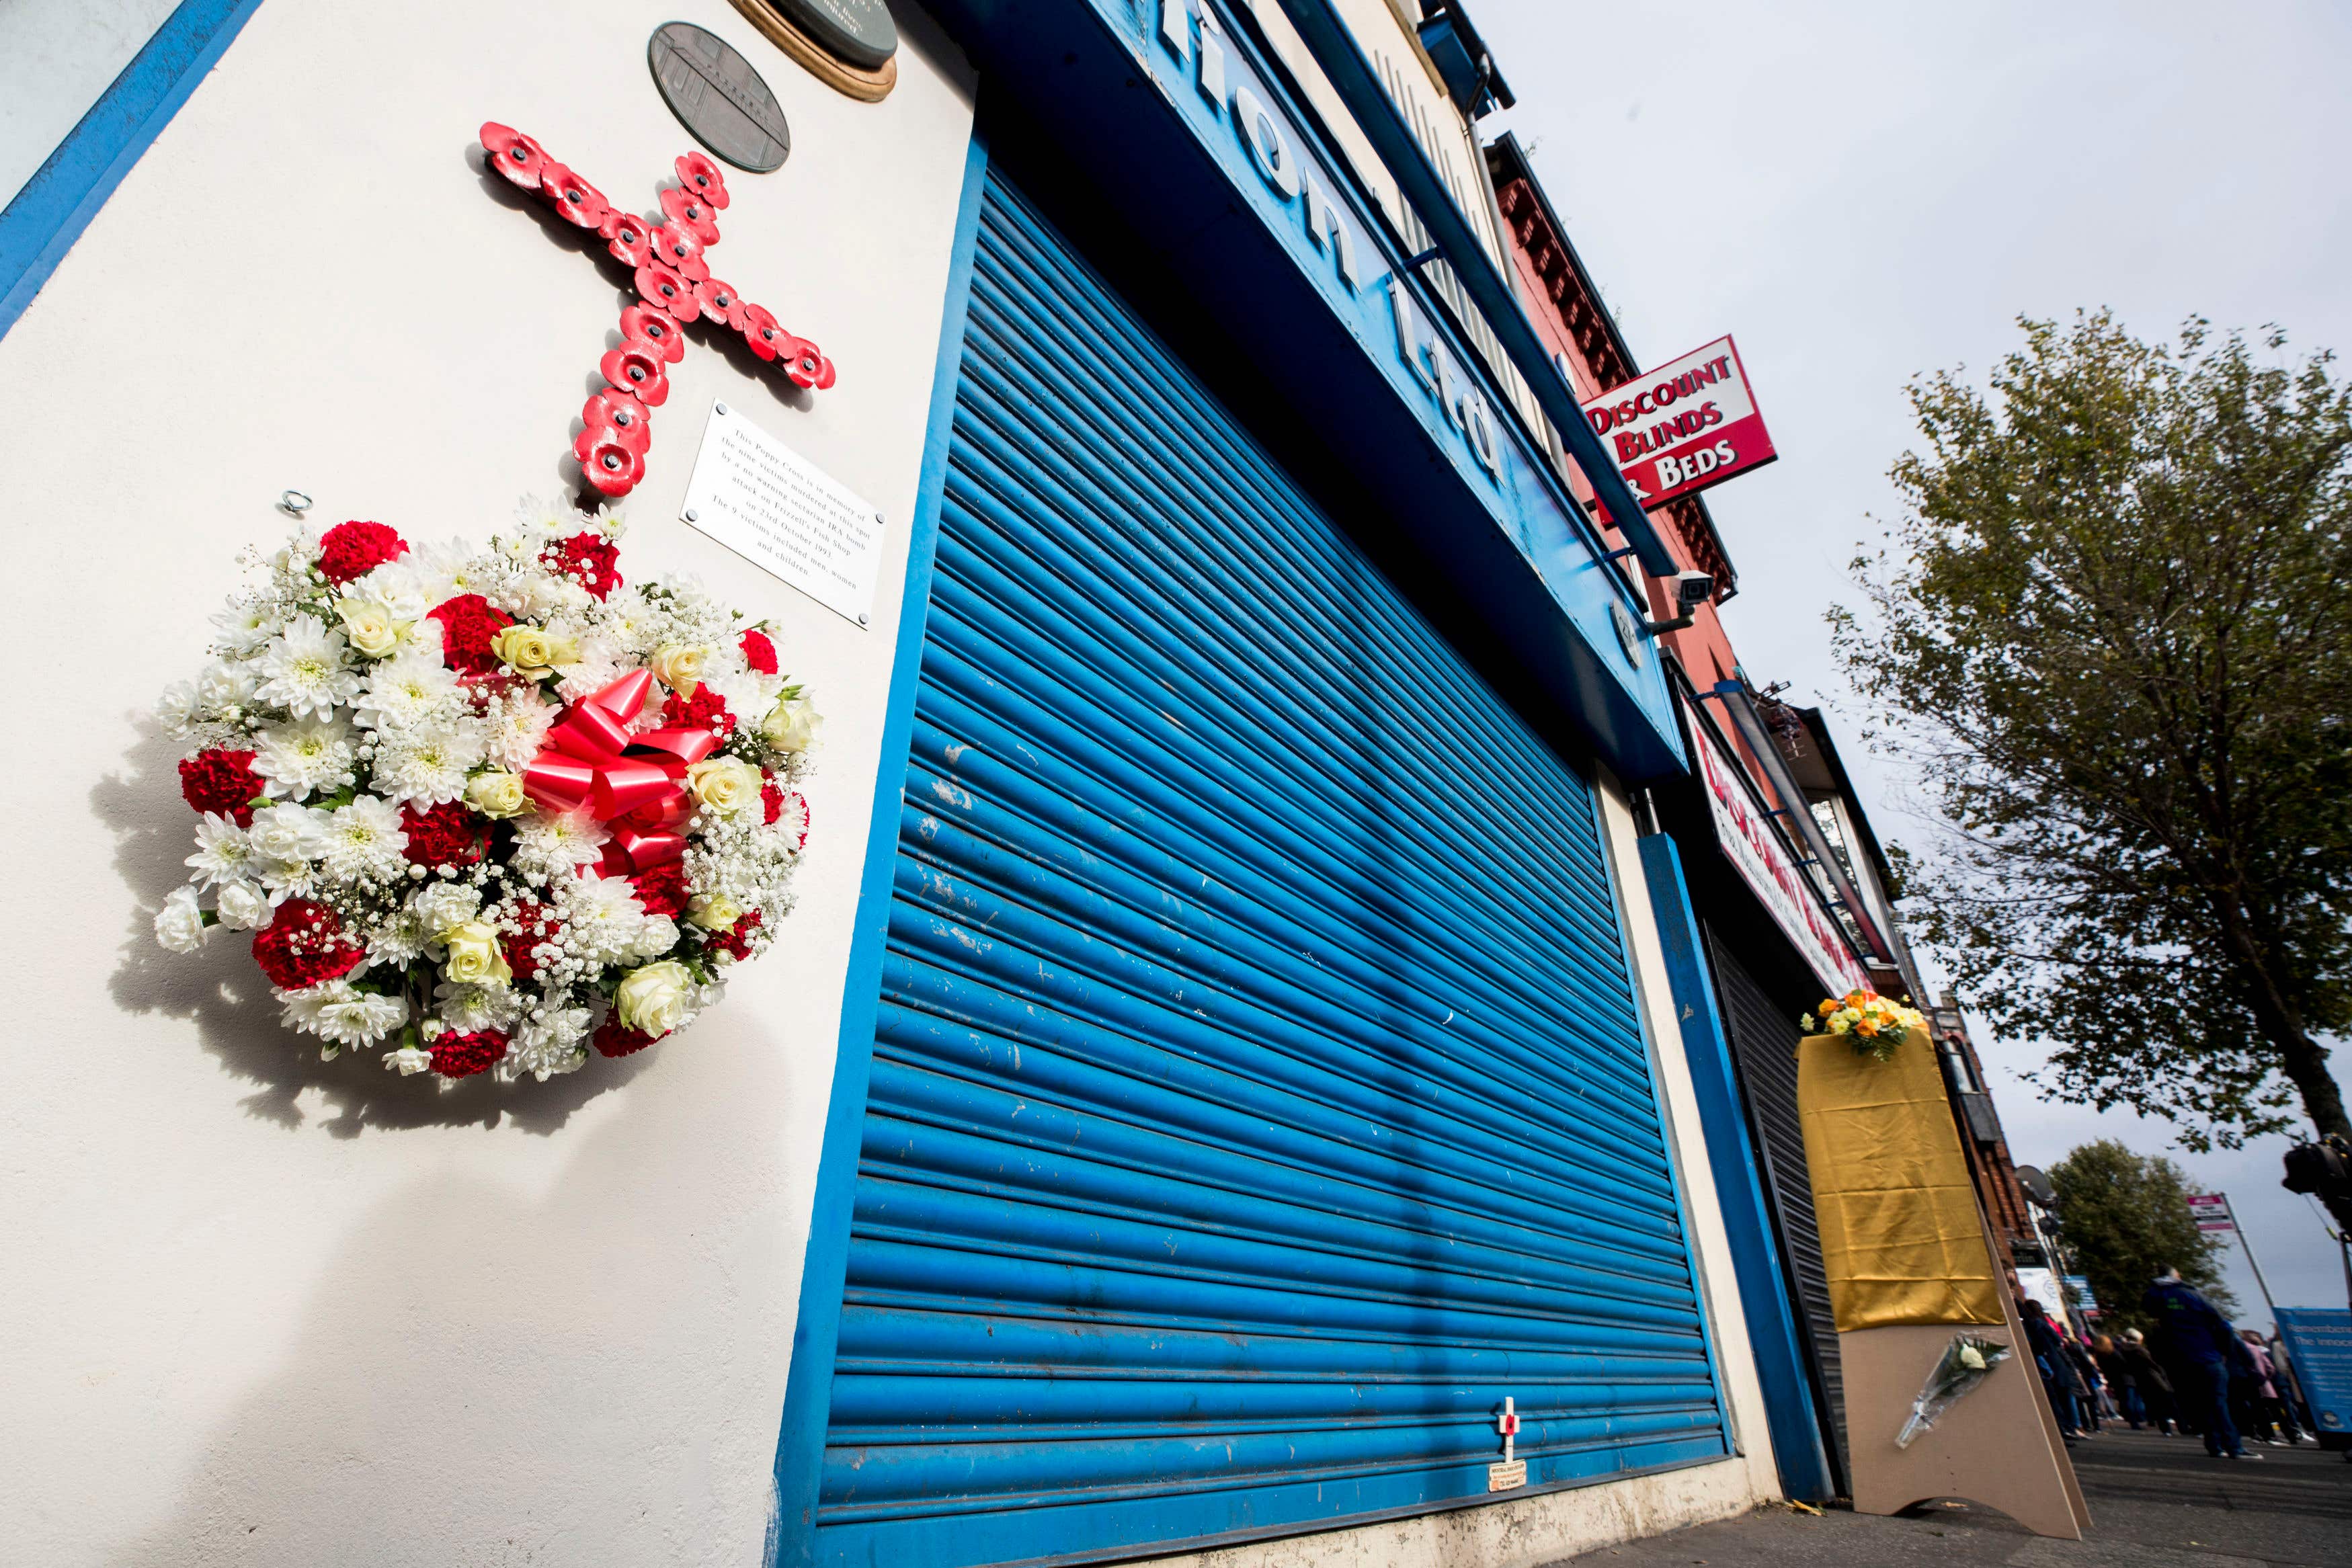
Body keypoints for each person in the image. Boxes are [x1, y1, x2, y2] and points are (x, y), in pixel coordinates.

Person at [2142, 1267, 2258, 1460]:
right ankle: (2233, 1447)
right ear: (2177, 1276)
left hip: (2181, 1360)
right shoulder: (2193, 1295)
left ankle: (2214, 1445)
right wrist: (2226, 1352)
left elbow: (2149, 1310)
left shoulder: (2157, 1296)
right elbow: (2223, 1325)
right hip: (2207, 1355)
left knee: (2202, 1404)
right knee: (2219, 1402)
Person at [2019, 1297, 2084, 1439]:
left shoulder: (2035, 1324)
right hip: (2055, 1362)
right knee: (2066, 1396)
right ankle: (2072, 1426)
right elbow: (2058, 1340)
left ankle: (2068, 1426)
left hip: (2049, 1362)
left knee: (2059, 1397)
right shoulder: (2043, 1322)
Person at [2117, 1328, 2176, 1434]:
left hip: (2140, 1379)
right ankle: (2179, 1426)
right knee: (2168, 1401)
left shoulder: (2123, 1350)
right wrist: (2160, 1371)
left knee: (2154, 1403)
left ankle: (2164, 1428)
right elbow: (2152, 1363)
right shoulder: (2140, 1350)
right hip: (2153, 1377)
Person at [2093, 1333, 2144, 1428]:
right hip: (2126, 1379)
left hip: (2115, 1380)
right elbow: (2124, 1364)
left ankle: (2132, 1420)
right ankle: (2136, 1420)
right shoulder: (2114, 1352)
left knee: (2123, 1400)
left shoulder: (2100, 1356)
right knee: (2130, 1400)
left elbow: (2104, 1369)